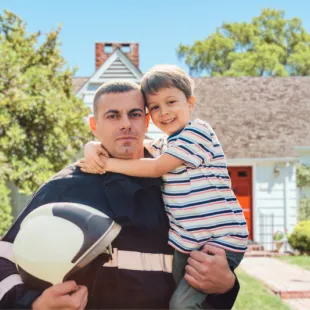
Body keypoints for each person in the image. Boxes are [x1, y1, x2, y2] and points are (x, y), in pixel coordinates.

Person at [0, 80, 240, 310]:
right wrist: (33, 304)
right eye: (113, 116)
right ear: (94, 126)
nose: (125, 124)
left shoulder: (179, 185)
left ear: (147, 122)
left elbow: (211, 271)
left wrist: (227, 286)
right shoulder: (65, 187)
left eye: (135, 114)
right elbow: (4, 258)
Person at [78, 66, 248, 309]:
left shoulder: (197, 133)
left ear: (190, 102)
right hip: (188, 241)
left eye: (171, 102)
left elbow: (156, 167)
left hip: (218, 240)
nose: (164, 112)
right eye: (155, 107)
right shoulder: (169, 143)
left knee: (182, 305)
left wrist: (106, 163)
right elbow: (135, 141)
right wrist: (93, 146)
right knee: (177, 296)